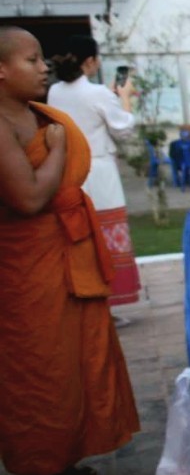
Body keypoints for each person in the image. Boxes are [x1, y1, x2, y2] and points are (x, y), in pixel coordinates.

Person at [0, 27, 140, 475]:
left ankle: (69, 453)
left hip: (63, 251)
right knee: (41, 368)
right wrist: (57, 146)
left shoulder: (35, 113)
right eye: (31, 59)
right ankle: (47, 470)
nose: (44, 67)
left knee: (78, 358)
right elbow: (28, 197)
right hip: (26, 264)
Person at [47, 35, 141, 309]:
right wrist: (124, 99)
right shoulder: (97, 93)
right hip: (98, 169)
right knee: (108, 233)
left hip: (70, 171)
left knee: (83, 235)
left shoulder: (55, 92)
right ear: (90, 61)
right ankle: (114, 293)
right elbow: (123, 129)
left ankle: (89, 292)